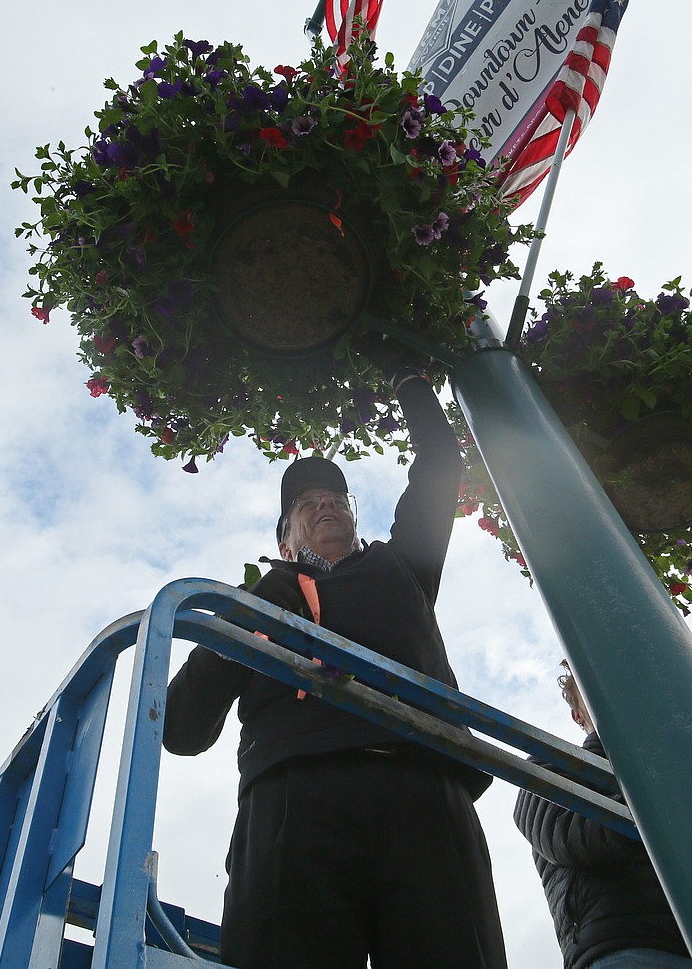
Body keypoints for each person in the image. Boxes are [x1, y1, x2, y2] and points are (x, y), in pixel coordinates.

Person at [163, 360, 507, 969]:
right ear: (283, 537)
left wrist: (409, 381)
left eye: (337, 500)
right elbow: (182, 729)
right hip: (296, 796)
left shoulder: (400, 569)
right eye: (307, 504)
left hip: (423, 787)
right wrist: (248, 617)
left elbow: (438, 469)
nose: (327, 507)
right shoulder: (259, 602)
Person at [513, 663, 692, 969]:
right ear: (578, 714)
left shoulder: (678, 763)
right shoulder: (552, 762)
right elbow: (571, 834)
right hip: (627, 947)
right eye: (592, 687)